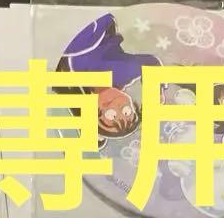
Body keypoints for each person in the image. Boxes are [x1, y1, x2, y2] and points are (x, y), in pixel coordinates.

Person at [56, 12, 160, 140]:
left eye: (111, 115)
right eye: (127, 111)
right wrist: (155, 93)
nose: (117, 106)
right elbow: (151, 64)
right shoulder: (121, 74)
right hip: (95, 24)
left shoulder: (74, 85)